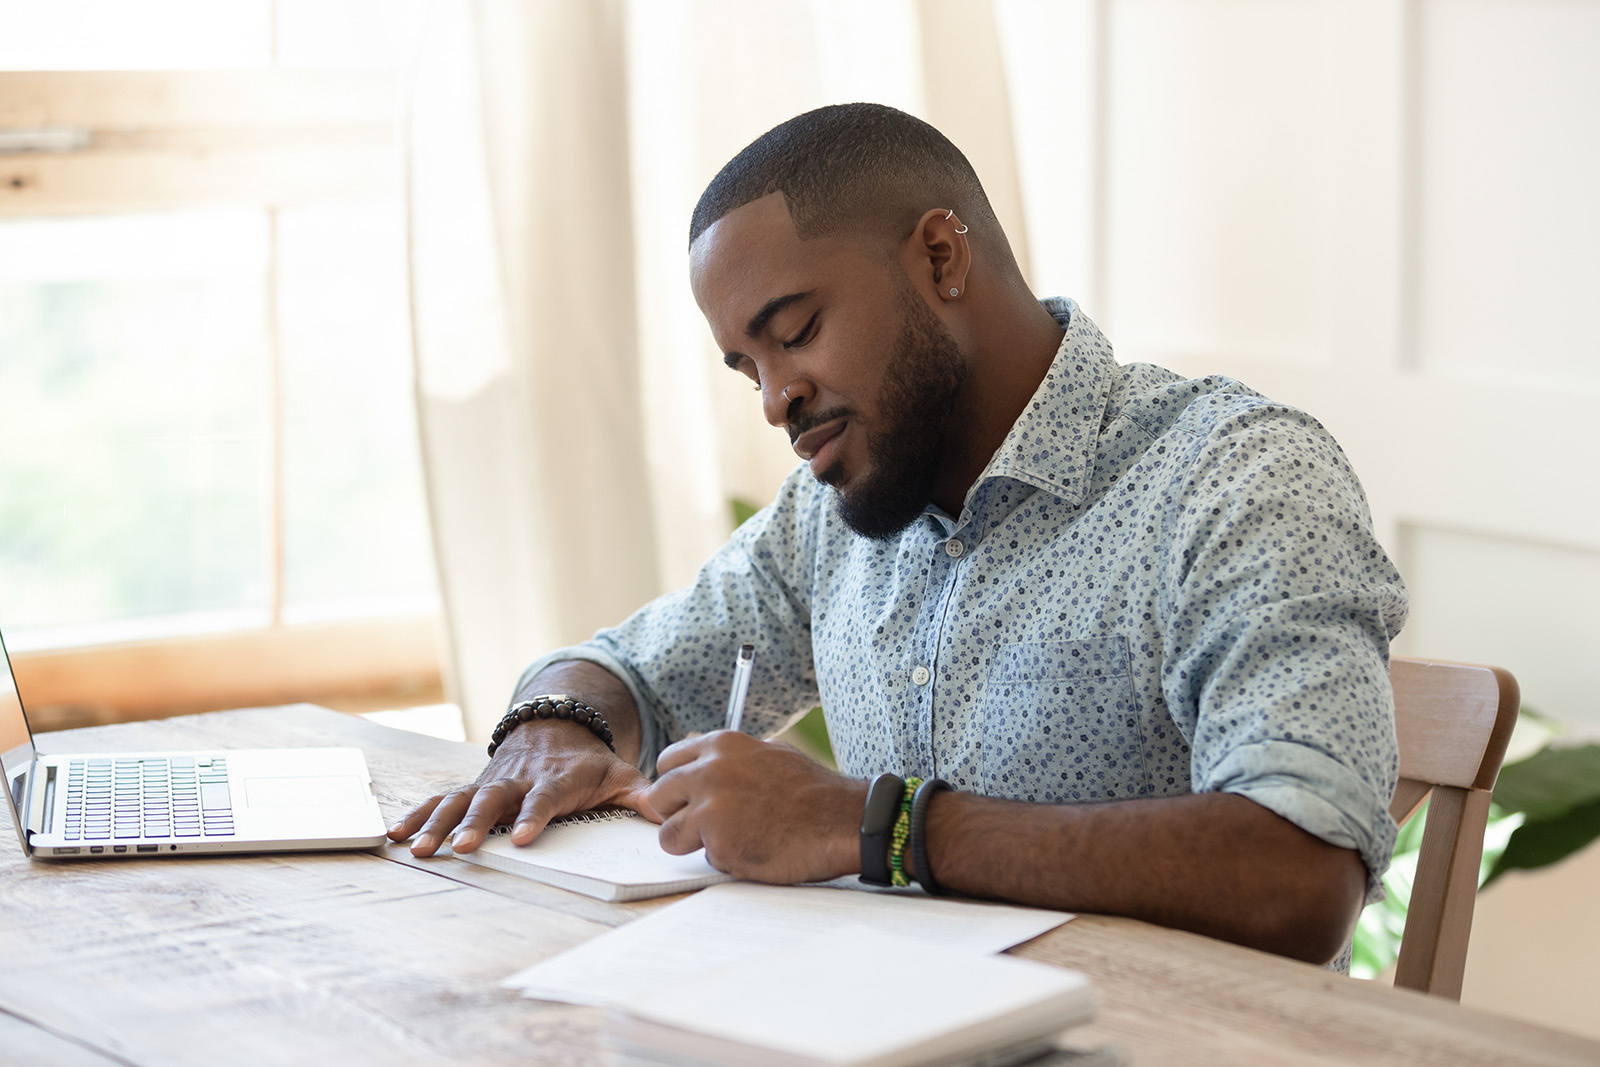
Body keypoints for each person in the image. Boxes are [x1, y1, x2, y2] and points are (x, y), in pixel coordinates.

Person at [391, 103, 1406, 968]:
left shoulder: (1235, 476)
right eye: (747, 366)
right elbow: (632, 672)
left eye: (793, 331)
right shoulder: (831, 514)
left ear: (937, 255)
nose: (777, 397)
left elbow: (1299, 870)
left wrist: (867, 822)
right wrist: (552, 726)